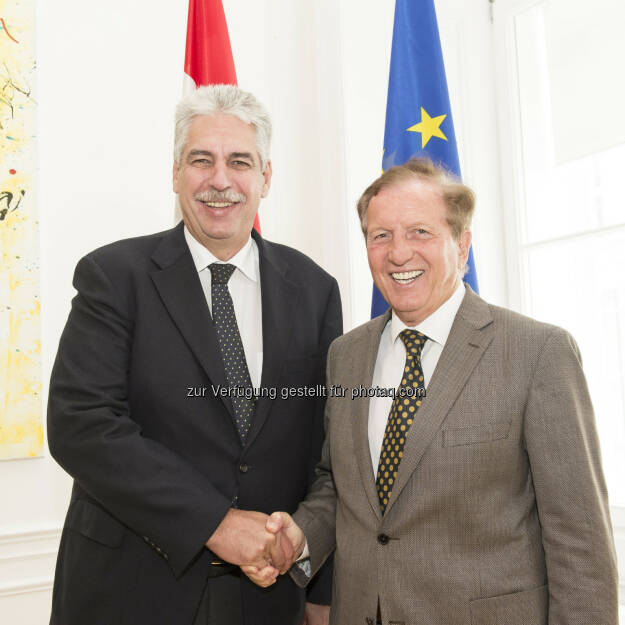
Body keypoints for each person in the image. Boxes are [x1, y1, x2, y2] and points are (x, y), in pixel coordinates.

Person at [244, 158, 618, 625]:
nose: (398, 253)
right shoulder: (346, 356)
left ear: (462, 246)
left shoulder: (537, 353)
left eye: (419, 232)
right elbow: (340, 486)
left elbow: (579, 541)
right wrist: (300, 538)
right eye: (380, 236)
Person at [47, 85, 342, 625]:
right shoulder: (114, 277)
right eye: (201, 160)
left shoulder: (315, 289)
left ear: (266, 178)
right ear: (176, 172)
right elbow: (81, 425)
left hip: (269, 598)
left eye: (240, 162)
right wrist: (216, 523)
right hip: (130, 593)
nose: (221, 181)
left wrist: (314, 577)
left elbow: (326, 448)